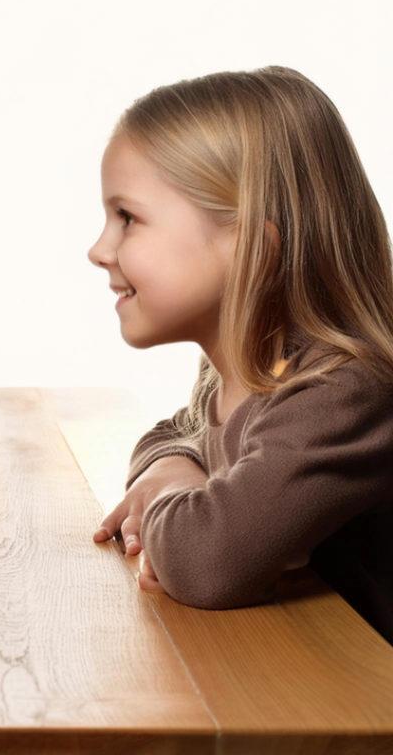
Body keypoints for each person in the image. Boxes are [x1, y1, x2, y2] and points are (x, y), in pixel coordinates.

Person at [87, 65, 393, 646]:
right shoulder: (257, 363)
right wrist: (174, 466)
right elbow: (178, 431)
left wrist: (178, 499)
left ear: (249, 242)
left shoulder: (343, 389)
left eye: (128, 218)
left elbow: (211, 560)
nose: (99, 249)